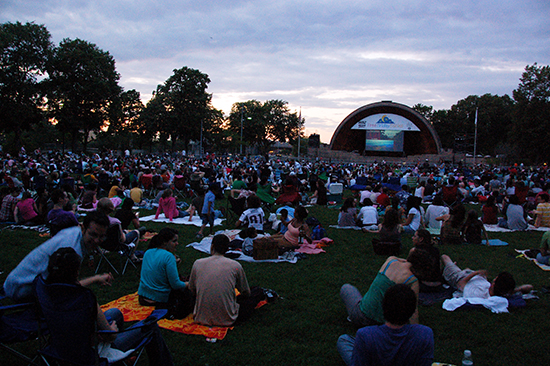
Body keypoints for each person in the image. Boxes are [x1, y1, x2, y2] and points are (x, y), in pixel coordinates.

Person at [43, 247, 174, 366]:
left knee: (115, 313)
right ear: (76, 272)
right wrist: (110, 330)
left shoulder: (46, 292)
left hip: (60, 347)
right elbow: (110, 336)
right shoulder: (85, 300)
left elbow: (72, 287)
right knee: (151, 326)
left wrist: (95, 278)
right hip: (91, 354)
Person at [4, 210, 113, 301]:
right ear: (83, 228)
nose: (97, 240)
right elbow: (66, 288)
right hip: (21, 288)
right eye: (93, 235)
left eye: (101, 236)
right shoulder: (70, 249)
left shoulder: (75, 233)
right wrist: (96, 279)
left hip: (26, 283)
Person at [337, 284, 434, 366]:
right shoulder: (424, 334)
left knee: (344, 340)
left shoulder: (365, 335)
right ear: (412, 311)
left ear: (383, 306)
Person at [340, 249, 432, 327]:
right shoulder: (412, 280)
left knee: (346, 288)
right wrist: (416, 332)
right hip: (386, 324)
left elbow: (403, 259)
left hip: (362, 316)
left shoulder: (390, 260)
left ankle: (353, 316)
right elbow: (413, 310)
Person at [188, 234, 264, 326]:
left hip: (201, 316)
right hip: (228, 318)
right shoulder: (235, 265)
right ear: (227, 249)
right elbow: (246, 292)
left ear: (212, 246)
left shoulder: (198, 263)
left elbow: (192, 289)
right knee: (256, 292)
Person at [138, 228, 193, 316]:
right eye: (174, 241)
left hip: (143, 297)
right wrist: (189, 284)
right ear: (164, 242)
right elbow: (176, 285)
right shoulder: (168, 257)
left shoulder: (148, 252)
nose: (177, 244)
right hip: (160, 297)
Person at [441, 254, 532, 298]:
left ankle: (451, 266)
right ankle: (456, 266)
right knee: (465, 268)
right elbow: (529, 287)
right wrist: (515, 290)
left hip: (459, 277)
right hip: (469, 275)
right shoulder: (500, 292)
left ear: (494, 284)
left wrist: (477, 272)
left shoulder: (477, 293)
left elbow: (461, 283)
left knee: (444, 257)